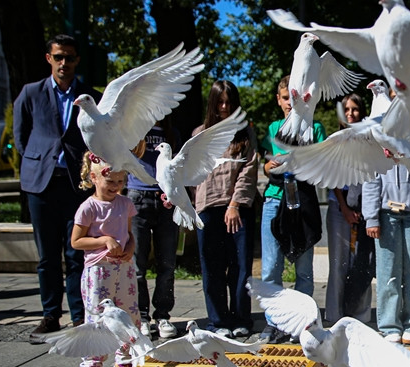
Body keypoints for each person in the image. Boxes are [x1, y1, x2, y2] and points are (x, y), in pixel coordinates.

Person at [13, 34, 102, 340]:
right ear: (49, 58)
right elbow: (21, 137)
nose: (65, 63)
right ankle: (50, 315)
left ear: (77, 60)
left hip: (77, 185)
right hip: (42, 183)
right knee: (47, 255)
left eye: (71, 57)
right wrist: (37, 162)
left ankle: (79, 317)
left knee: (76, 251)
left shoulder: (90, 96)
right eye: (59, 57)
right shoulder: (30, 93)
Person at [258, 76, 325, 342]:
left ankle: (304, 323)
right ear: (279, 100)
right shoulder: (273, 128)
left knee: (304, 269)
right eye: (286, 98)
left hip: (303, 203)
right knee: (271, 268)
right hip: (275, 200)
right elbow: (264, 165)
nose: (290, 103)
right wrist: (270, 167)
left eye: (294, 98)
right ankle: (273, 322)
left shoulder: (315, 128)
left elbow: (321, 164)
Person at [193, 80, 259, 339]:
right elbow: (191, 172)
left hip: (238, 209)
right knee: (212, 267)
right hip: (207, 208)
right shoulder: (200, 134)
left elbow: (249, 170)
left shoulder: (245, 134)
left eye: (229, 102)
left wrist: (234, 204)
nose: (224, 107)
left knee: (241, 267)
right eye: (220, 102)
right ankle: (218, 320)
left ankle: (242, 318)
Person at [70, 153, 138, 367]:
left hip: (124, 270)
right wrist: (105, 239)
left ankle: (124, 358)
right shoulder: (88, 208)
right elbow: (76, 242)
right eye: (111, 182)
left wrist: (130, 248)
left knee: (128, 314)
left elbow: (129, 234)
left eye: (120, 182)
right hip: (98, 272)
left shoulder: (125, 204)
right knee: (98, 319)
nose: (116, 187)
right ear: (94, 178)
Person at [363, 134, 410, 344]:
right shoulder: (379, 136)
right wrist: (371, 217)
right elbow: (371, 177)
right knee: (388, 270)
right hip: (387, 214)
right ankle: (389, 325)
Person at [127, 120, 180, 339]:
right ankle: (141, 317)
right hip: (137, 197)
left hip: (165, 198)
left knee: (167, 263)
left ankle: (163, 315)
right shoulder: (132, 127)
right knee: (137, 264)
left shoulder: (171, 131)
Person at [325, 93, 374, 324]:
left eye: (355, 109)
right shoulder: (336, 139)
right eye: (346, 110)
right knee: (338, 266)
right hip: (339, 206)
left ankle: (361, 317)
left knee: (362, 265)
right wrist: (344, 208)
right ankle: (335, 317)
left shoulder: (369, 139)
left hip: (364, 208)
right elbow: (332, 178)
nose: (351, 114)